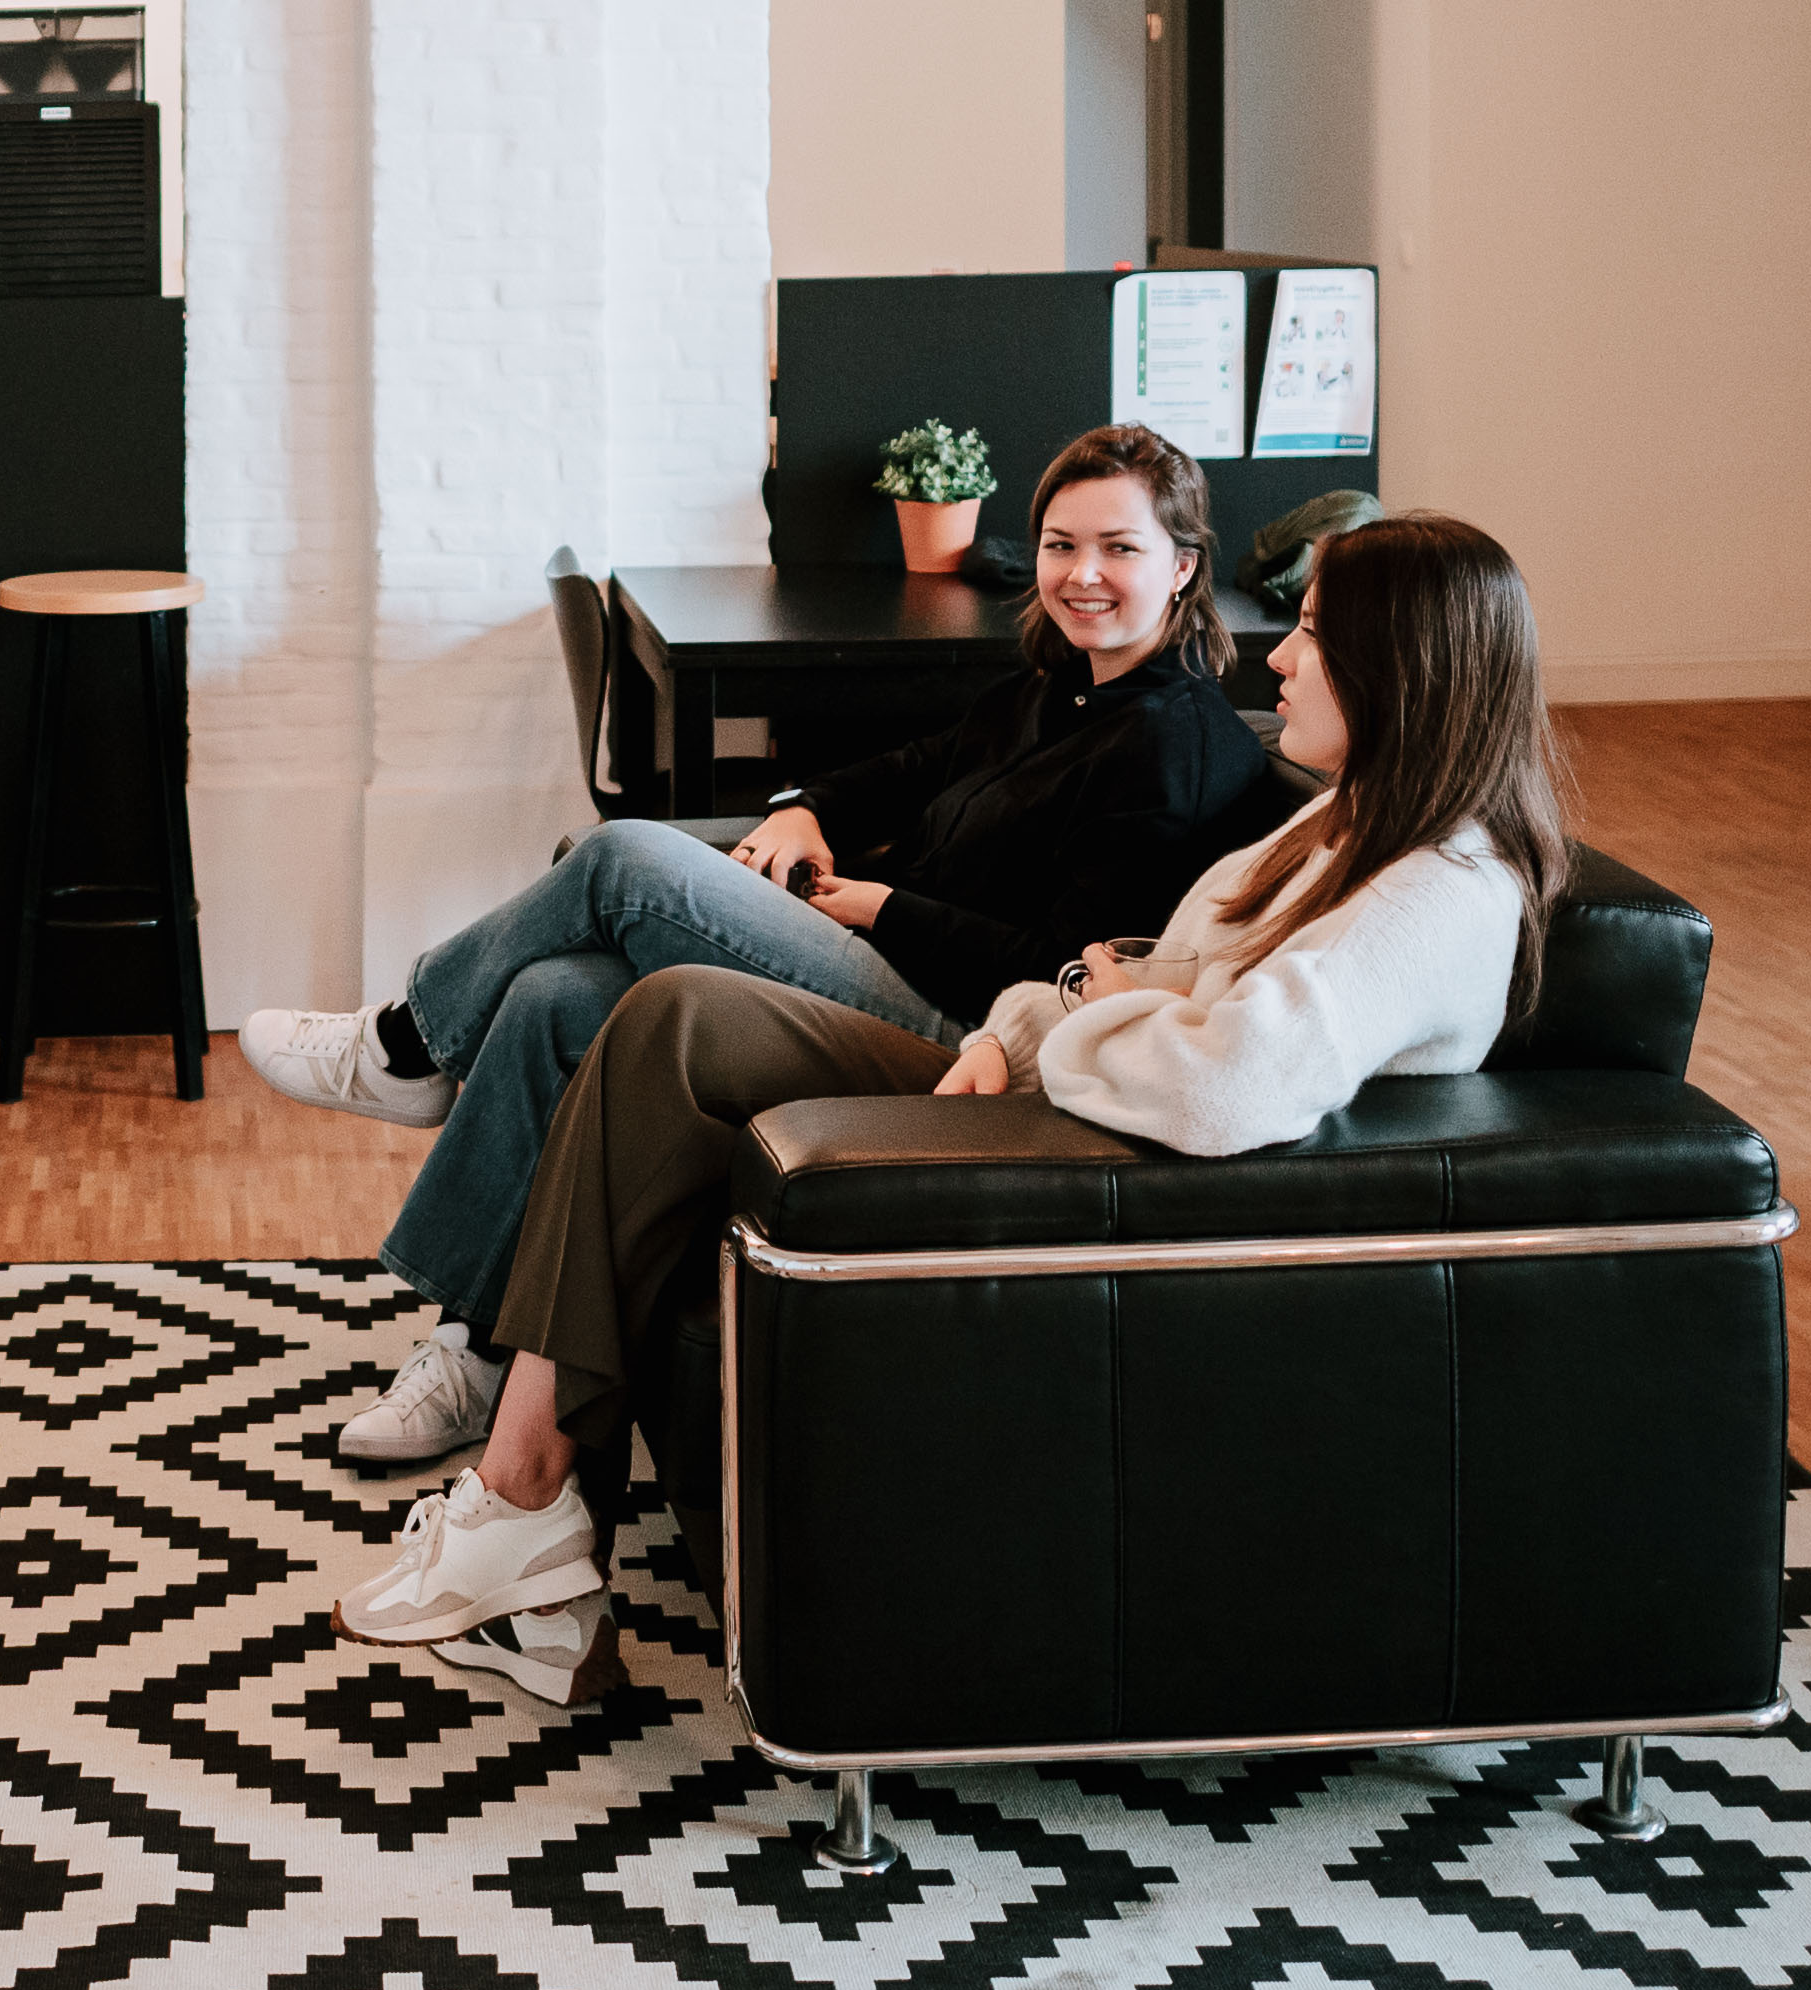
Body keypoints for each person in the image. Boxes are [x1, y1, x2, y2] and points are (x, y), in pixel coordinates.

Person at [330, 510, 1570, 1702]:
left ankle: (519, 1491)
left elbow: (1230, 1072)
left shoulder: (1444, 888)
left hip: (1082, 1165)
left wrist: (1073, 1012)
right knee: (644, 1015)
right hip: (1039, 1091)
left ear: (1401, 665)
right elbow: (1156, 985)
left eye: (1313, 630)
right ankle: (530, 1529)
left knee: (663, 991)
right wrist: (1058, 1007)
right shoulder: (1342, 825)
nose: (1284, 654)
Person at [236, 426, 1283, 1468]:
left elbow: (1059, 967)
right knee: (560, 992)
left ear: (1184, 564)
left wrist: (876, 908)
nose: (1081, 573)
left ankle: (406, 1042)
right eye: (1060, 544)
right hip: (893, 965)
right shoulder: (1048, 689)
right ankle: (474, 1346)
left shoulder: (1169, 743)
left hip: (966, 1035)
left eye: (1119, 548)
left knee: (623, 860)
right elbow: (907, 766)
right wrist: (804, 808)